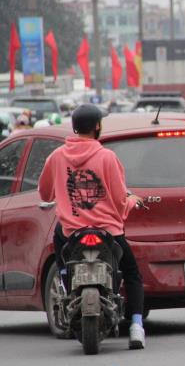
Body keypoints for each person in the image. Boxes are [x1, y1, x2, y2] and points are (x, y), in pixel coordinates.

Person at [38, 104, 147, 350]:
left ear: (75, 127)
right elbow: (120, 199)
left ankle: (68, 284)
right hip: (108, 232)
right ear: (97, 126)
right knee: (131, 273)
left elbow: (45, 192)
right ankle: (136, 326)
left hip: (71, 233)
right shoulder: (108, 157)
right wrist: (130, 202)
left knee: (60, 254)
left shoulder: (56, 157)